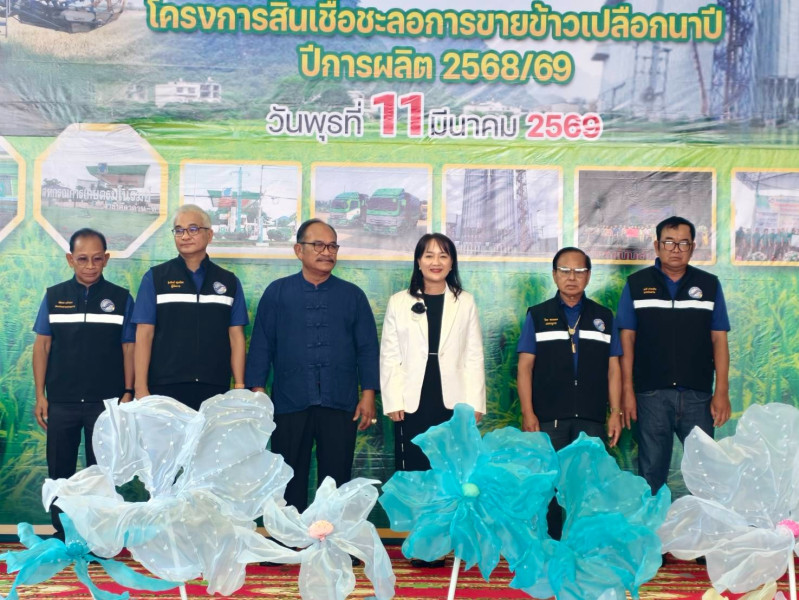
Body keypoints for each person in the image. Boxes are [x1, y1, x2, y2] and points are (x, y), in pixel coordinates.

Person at [245, 218, 379, 513]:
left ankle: (333, 535)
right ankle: (287, 534)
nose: (327, 252)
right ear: (298, 250)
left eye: (332, 246)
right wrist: (257, 391)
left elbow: (368, 348)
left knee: (336, 478)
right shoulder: (277, 292)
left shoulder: (352, 295)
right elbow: (262, 345)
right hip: (289, 400)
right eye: (318, 245)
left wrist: (368, 394)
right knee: (288, 478)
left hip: (340, 400)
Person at [380, 233, 486, 567]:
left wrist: (475, 402)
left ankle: (440, 544)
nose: (435, 262)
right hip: (411, 399)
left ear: (452, 263)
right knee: (415, 470)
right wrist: (392, 399)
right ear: (418, 261)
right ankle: (419, 543)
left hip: (452, 401)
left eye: (443, 255)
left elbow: (474, 354)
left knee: (447, 472)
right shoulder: (400, 302)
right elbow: (389, 355)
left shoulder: (464, 301)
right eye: (428, 255)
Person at [32, 228, 135, 539]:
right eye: (82, 259)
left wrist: (128, 391)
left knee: (100, 474)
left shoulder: (121, 298)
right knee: (59, 472)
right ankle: (63, 534)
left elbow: (129, 348)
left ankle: (97, 536)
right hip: (61, 401)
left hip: (105, 403)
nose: (90, 265)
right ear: (70, 260)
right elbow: (42, 346)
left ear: (106, 259)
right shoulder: (54, 296)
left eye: (96, 259)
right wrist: (40, 396)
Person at [616, 216, 731, 494]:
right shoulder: (636, 284)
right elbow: (626, 341)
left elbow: (719, 339)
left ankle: (706, 523)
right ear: (657, 246)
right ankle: (654, 522)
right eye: (669, 242)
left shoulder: (709, 285)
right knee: (651, 473)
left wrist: (721, 391)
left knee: (706, 474)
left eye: (683, 243)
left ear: (693, 248)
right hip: (651, 395)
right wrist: (627, 391)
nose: (676, 249)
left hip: (698, 396)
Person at [516, 247, 622, 539]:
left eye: (579, 271)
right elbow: (525, 367)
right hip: (549, 418)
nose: (571, 277)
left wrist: (615, 412)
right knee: (548, 487)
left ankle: (584, 546)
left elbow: (614, 369)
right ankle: (550, 546)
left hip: (591, 418)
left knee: (588, 486)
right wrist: (528, 413)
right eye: (564, 271)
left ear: (588, 275)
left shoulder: (603, 316)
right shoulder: (538, 315)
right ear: (554, 275)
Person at [133, 204, 247, 410]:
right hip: (165, 385)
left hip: (214, 385)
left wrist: (239, 385)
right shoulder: (156, 278)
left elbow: (236, 336)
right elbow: (144, 334)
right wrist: (140, 389)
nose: (185, 236)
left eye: (193, 229)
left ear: (209, 235)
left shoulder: (228, 281)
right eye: (179, 230)